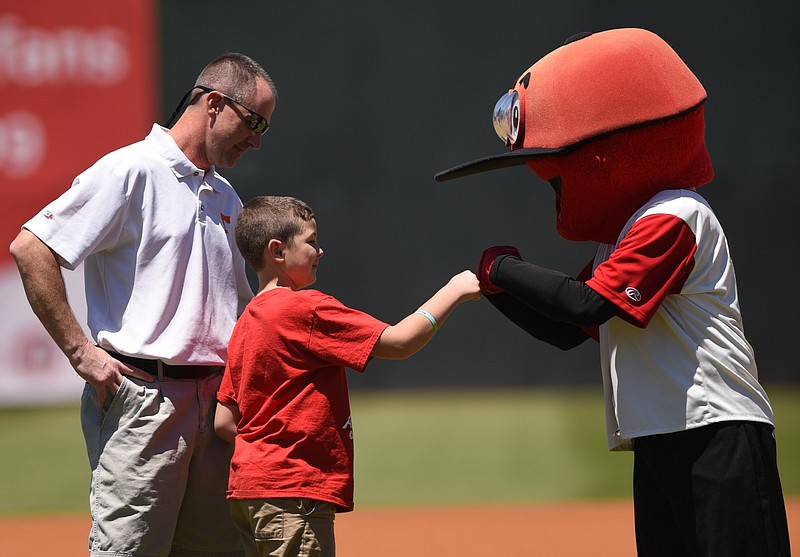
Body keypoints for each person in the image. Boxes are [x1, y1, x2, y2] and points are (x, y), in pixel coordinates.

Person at [435, 28, 791, 556]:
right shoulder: (621, 236)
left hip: (717, 432)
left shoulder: (675, 214)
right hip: (660, 440)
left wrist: (504, 268)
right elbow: (569, 331)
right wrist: (497, 290)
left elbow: (587, 303)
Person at [9, 52, 277, 557]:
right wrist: (79, 351)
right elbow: (32, 247)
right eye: (255, 121)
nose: (258, 138)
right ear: (216, 103)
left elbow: (241, 309)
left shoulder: (225, 195)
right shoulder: (130, 169)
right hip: (144, 398)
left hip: (216, 407)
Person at [214, 195, 480, 557]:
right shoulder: (303, 308)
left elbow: (224, 421)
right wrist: (455, 291)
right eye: (311, 241)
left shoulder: (245, 322)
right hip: (294, 493)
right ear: (277, 251)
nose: (320, 251)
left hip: (249, 492)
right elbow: (400, 342)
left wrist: (268, 445)